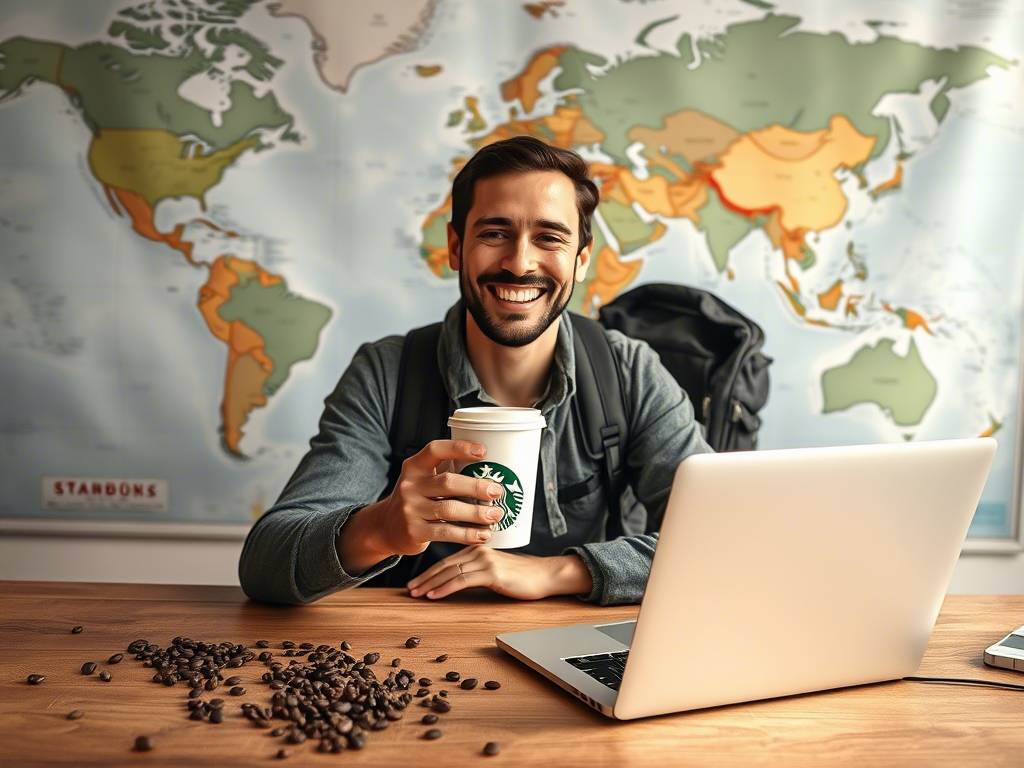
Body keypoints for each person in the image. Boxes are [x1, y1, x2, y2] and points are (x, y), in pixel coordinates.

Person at [238, 136, 711, 606]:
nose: (519, 263)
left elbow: (718, 538)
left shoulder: (628, 371)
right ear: (455, 246)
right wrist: (379, 528)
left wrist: (559, 572)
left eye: (549, 237)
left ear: (581, 260)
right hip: (412, 655)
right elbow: (267, 564)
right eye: (495, 233)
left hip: (577, 646)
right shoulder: (386, 373)